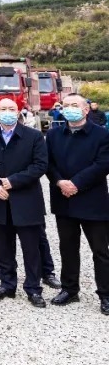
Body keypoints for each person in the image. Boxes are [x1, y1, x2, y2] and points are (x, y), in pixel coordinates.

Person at [0, 98, 50, 307]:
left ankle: (33, 288)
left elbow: (40, 165)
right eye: (3, 109)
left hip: (26, 200)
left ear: (18, 112)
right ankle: (7, 284)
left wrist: (12, 182)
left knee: (31, 248)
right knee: (2, 246)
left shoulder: (34, 136)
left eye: (11, 109)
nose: (7, 112)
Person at [45, 95, 109, 314]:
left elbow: (103, 164)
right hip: (64, 199)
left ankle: (106, 294)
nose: (70, 109)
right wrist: (60, 182)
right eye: (66, 106)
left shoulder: (102, 134)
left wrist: (76, 183)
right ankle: (70, 289)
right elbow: (48, 163)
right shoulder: (53, 134)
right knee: (68, 247)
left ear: (86, 110)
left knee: (100, 250)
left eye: (75, 105)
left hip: (92, 201)